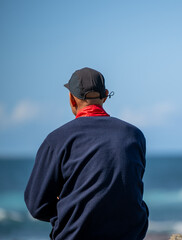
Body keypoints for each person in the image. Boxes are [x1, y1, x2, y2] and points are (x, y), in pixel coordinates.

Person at [24, 67, 149, 240]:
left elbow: (36, 205)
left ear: (71, 99)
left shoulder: (57, 140)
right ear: (104, 96)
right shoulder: (134, 135)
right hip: (130, 234)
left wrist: (70, 207)